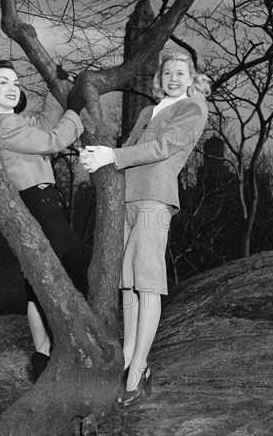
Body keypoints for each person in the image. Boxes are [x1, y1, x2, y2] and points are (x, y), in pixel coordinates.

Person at [80, 51, 210, 406]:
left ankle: (137, 369)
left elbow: (163, 147)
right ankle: (127, 360)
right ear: (159, 78)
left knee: (148, 283)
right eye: (167, 72)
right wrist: (95, 156)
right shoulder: (145, 112)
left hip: (154, 201)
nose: (173, 78)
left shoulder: (193, 109)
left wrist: (114, 157)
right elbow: (128, 147)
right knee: (129, 286)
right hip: (126, 200)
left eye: (180, 73)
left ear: (191, 77)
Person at [0, 58, 87, 381]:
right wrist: (75, 110)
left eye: (16, 82)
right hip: (39, 205)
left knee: (38, 278)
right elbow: (52, 141)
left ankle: (43, 354)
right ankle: (63, 348)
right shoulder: (4, 125)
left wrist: (55, 89)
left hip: (40, 203)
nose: (12, 87)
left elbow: (47, 123)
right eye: (3, 82)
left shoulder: (10, 121)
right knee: (71, 266)